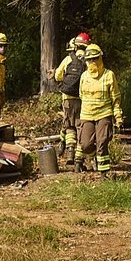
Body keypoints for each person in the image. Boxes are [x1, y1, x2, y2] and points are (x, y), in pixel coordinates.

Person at [75, 44, 123, 176]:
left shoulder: (109, 75)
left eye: (95, 58)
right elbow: (81, 95)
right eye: (89, 59)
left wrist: (118, 115)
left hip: (104, 113)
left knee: (102, 142)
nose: (92, 62)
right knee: (85, 144)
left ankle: (104, 173)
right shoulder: (84, 76)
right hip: (87, 114)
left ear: (100, 58)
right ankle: (94, 156)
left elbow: (115, 97)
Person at [52, 32, 92, 163]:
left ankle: (70, 152)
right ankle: (79, 159)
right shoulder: (89, 60)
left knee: (69, 125)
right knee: (80, 127)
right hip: (82, 99)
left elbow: (57, 75)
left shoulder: (69, 59)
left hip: (67, 98)